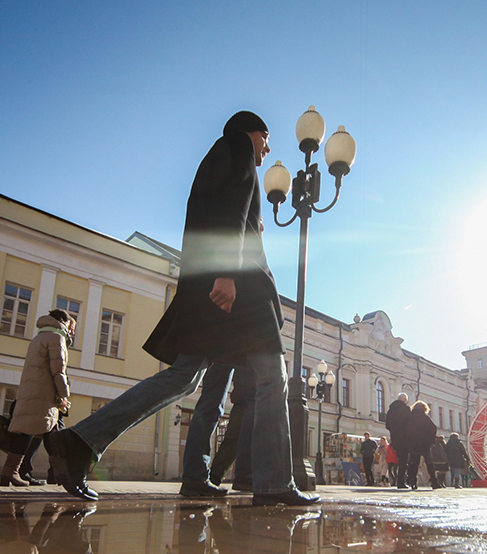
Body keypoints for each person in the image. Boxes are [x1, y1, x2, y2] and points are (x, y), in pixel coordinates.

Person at [44, 111, 318, 506]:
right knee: (272, 377)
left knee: (184, 378)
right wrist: (227, 272)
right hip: (239, 290)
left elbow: (225, 212)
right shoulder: (238, 146)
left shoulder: (217, 157)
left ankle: (79, 442)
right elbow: (230, 207)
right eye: (266, 137)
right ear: (252, 133)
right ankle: (275, 483)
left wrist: (248, 231)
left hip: (210, 286)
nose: (267, 148)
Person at [3, 310, 75, 486]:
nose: (72, 332)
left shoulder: (39, 338)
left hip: (33, 391)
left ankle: (11, 472)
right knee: (44, 435)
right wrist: (64, 395)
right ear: (64, 322)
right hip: (44, 395)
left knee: (42, 433)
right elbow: (58, 370)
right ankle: (60, 476)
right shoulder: (56, 338)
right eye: (71, 327)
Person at [403, 401, 438, 489]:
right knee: (429, 463)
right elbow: (433, 428)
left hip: (413, 444)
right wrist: (431, 440)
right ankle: (434, 482)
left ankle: (413, 482)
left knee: (414, 463)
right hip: (424, 444)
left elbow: (405, 429)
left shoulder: (409, 417)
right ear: (424, 408)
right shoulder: (425, 417)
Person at [385, 393, 411, 488]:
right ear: (405, 400)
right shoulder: (406, 409)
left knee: (399, 460)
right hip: (405, 438)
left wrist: (394, 431)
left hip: (395, 439)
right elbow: (409, 424)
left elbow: (387, 425)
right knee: (403, 461)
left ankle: (399, 481)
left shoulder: (390, 410)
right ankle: (401, 482)